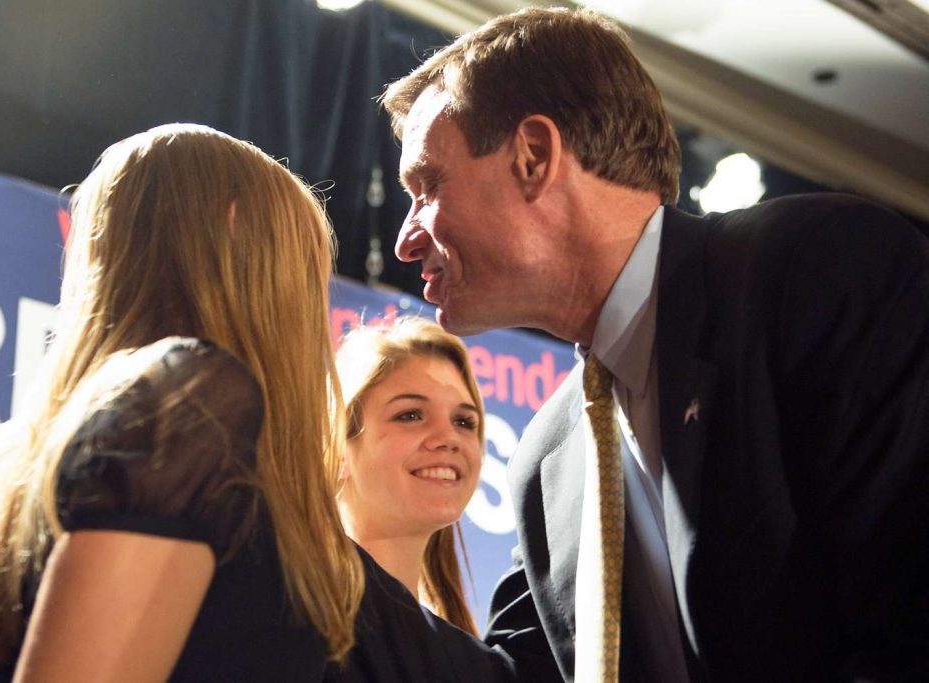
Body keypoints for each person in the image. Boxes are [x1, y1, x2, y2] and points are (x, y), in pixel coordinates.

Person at [381, 7, 929, 682]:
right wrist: (311, 561)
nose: (406, 239)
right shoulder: (543, 461)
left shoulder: (816, 271)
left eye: (427, 187)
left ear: (533, 156)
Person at [0, 124, 512, 682]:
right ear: (236, 233)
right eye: (307, 265)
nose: (315, 306)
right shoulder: (192, 403)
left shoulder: (135, 422)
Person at [335, 316, 483, 635]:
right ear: (338, 449)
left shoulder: (465, 653)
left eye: (464, 422)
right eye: (411, 415)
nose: (449, 438)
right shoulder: (286, 614)